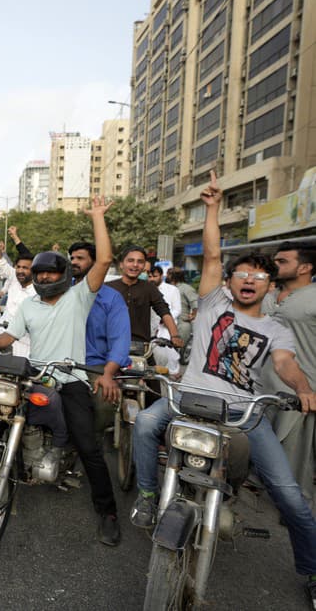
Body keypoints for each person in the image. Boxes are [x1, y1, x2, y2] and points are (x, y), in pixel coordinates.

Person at [130, 172, 316, 605]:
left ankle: (311, 571)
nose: (249, 280)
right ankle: (146, 494)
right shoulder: (214, 300)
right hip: (187, 402)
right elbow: (212, 255)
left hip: (244, 415)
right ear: (230, 281)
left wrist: (304, 388)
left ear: (269, 285)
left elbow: (287, 365)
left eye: (259, 276)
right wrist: (212, 208)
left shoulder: (274, 327)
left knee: (291, 499)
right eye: (242, 273)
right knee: (142, 422)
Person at [0, 197, 122, 546]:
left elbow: (103, 259)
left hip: (69, 380)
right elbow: (10, 335)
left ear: (64, 275)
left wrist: (98, 217)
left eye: (50, 273)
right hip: (35, 376)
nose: (43, 278)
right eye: (39, 273)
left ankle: (108, 513)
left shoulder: (78, 297)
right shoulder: (28, 304)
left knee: (89, 447)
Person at [262, 242, 316, 513]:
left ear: (305, 267)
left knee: (296, 458)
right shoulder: (270, 296)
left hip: (301, 391)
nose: (276, 265)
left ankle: (298, 514)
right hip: (262, 388)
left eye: (282, 261)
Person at [68, 241, 130, 424]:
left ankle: (97, 446)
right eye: (72, 258)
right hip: (61, 363)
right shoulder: (62, 292)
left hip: (94, 366)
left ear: (95, 264)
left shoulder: (111, 298)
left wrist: (108, 374)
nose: (74, 262)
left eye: (80, 258)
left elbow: (120, 340)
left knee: (104, 399)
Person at [107, 246, 183, 348]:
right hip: (109, 345)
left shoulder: (149, 288)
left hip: (140, 347)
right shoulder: (108, 288)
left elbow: (164, 311)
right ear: (121, 264)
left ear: (144, 266)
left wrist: (175, 336)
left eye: (140, 262)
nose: (135, 265)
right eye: (130, 260)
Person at [0, 225, 34, 356]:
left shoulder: (39, 292)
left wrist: (15, 236)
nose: (21, 271)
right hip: (0, 336)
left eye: (25, 268)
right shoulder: (14, 277)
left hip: (23, 345)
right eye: (18, 267)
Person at [148, 265, 182, 377]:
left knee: (168, 349)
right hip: (152, 326)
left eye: (155, 276)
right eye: (150, 276)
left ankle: (174, 372)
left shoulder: (172, 290)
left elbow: (177, 309)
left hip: (167, 327)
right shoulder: (147, 289)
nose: (152, 279)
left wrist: (166, 318)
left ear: (161, 276)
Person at [167, 267, 198, 362]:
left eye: (169, 274)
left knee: (177, 349)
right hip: (167, 322)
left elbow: (195, 303)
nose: (167, 276)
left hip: (182, 323)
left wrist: (193, 315)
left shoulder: (186, 288)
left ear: (173, 276)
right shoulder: (167, 287)